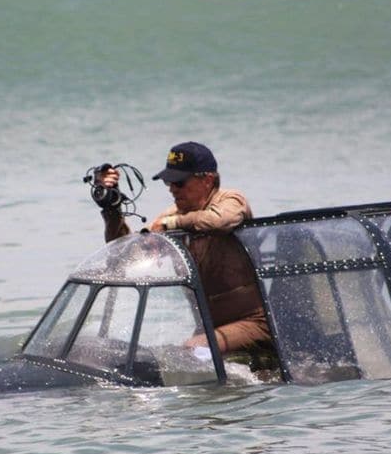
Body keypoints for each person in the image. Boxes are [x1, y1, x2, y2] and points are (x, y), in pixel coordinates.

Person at [99, 141, 271, 354]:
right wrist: (111, 207)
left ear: (207, 180)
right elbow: (124, 254)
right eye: (168, 183)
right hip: (209, 329)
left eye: (179, 183)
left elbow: (219, 220)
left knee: (194, 348)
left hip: (255, 323)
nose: (172, 189)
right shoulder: (172, 215)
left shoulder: (231, 200)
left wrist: (171, 224)